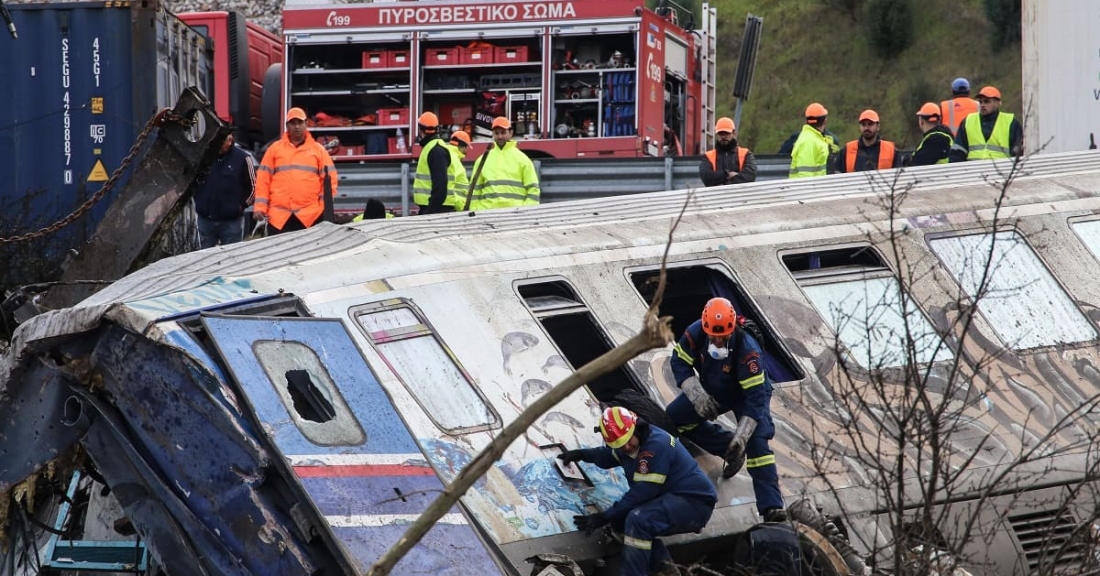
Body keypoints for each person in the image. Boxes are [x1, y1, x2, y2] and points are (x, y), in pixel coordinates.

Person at [664, 297, 785, 522]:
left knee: (758, 445)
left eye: (723, 336)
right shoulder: (695, 333)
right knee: (674, 420)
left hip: (746, 395)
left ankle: (771, 508)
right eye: (714, 336)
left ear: (732, 328)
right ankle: (725, 446)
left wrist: (743, 436)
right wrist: (696, 395)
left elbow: (755, 399)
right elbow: (679, 361)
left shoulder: (748, 351)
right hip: (712, 391)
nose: (718, 341)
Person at [559, 407, 717, 576]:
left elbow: (643, 492)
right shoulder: (627, 447)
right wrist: (580, 454)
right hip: (672, 499)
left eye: (628, 441)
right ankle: (666, 570)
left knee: (639, 520)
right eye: (619, 445)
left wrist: (604, 516)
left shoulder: (656, 445)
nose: (626, 447)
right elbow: (605, 455)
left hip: (694, 502)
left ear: (636, 428)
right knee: (621, 522)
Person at [254, 107, 338, 235]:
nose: (296, 127)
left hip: (309, 217)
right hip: (279, 218)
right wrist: (260, 207)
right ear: (287, 125)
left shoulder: (318, 151)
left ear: (306, 124)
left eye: (300, 123)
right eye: (292, 123)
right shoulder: (274, 150)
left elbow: (329, 181)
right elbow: (263, 180)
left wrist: (322, 208)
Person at [193, 133, 255, 248]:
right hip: (205, 220)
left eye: (230, 140)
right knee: (203, 259)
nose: (229, 143)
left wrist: (241, 206)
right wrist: (199, 200)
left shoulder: (243, 158)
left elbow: (253, 187)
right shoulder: (203, 156)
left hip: (231, 222)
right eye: (224, 141)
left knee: (232, 259)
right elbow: (192, 180)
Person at [468, 117, 540, 210]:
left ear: (511, 133)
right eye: (496, 133)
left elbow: (533, 189)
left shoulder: (523, 160)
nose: (500, 136)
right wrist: (475, 212)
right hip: (487, 216)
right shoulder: (482, 160)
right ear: (493, 134)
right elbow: (474, 190)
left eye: (503, 132)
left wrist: (525, 213)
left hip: (514, 216)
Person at [949, 86, 1023, 162]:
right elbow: (957, 152)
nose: (982, 105)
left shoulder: (1010, 122)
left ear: (997, 103)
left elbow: (1018, 153)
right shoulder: (968, 121)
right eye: (980, 102)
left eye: (987, 101)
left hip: (1002, 170)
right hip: (973, 170)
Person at [412, 112, 454, 215]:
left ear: (421, 130)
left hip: (436, 210)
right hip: (436, 208)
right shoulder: (434, 148)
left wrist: (431, 211)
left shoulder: (435, 150)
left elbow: (440, 186)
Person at [834, 109, 900, 173]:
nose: (866, 128)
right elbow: (837, 174)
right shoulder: (847, 150)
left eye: (870, 124)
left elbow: (899, 176)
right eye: (863, 124)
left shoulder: (891, 150)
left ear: (878, 127)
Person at [699, 117, 757, 186]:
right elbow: (707, 178)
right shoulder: (708, 156)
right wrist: (727, 174)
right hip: (718, 196)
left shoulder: (746, 154)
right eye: (720, 133)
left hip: (741, 195)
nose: (723, 137)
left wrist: (722, 180)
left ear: (734, 133)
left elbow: (750, 176)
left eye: (726, 133)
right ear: (716, 135)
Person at [789, 103, 832, 178]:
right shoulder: (809, 141)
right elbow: (805, 174)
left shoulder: (813, 138)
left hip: (814, 187)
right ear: (825, 121)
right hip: (808, 188)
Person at [447, 130, 472, 210]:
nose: (466, 151)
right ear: (463, 147)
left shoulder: (444, 155)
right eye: (466, 148)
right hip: (455, 208)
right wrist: (461, 206)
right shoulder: (456, 163)